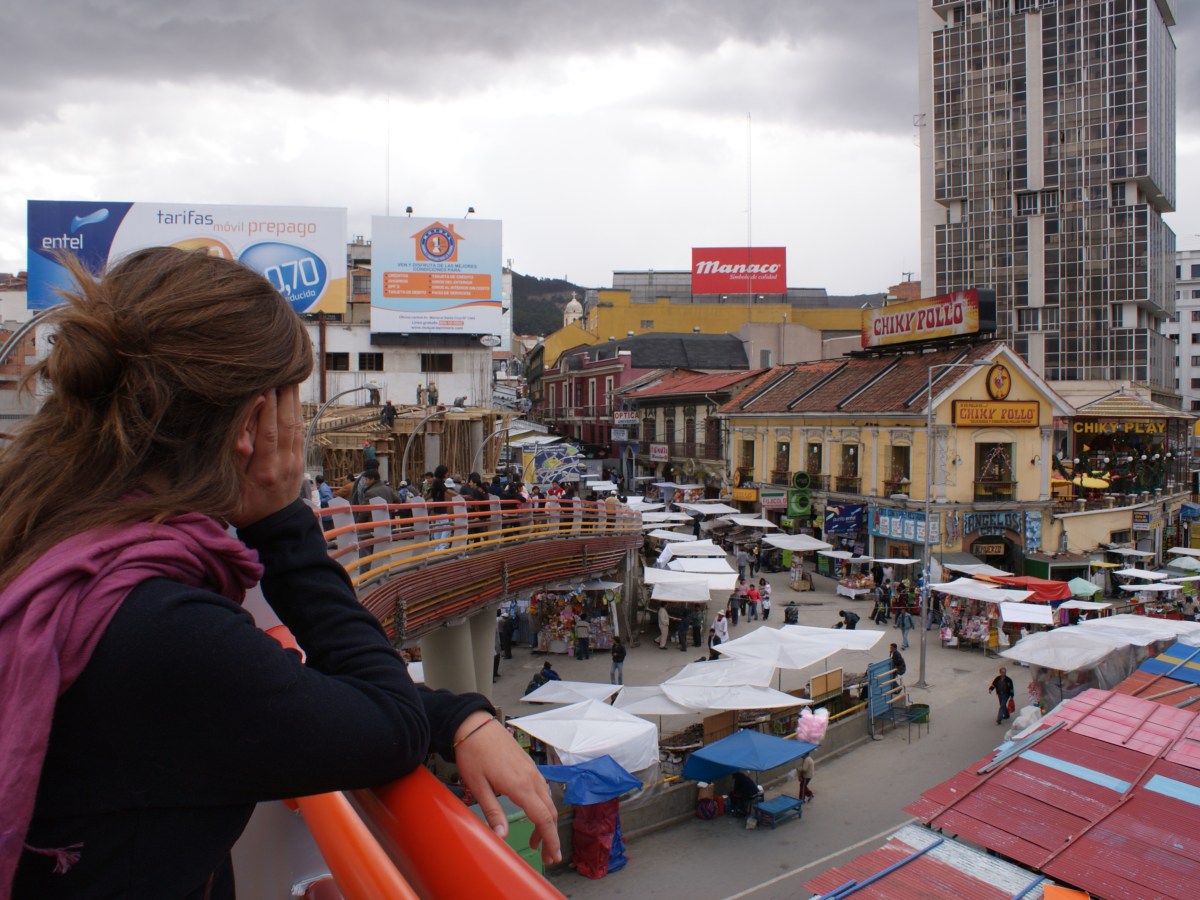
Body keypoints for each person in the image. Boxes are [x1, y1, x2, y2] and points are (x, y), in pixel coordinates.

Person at [0, 247, 559, 897]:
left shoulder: (55, 546)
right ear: (254, 426)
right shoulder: (157, 628)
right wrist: (281, 517)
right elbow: (389, 724)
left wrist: (456, 715)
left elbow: (264, 699)